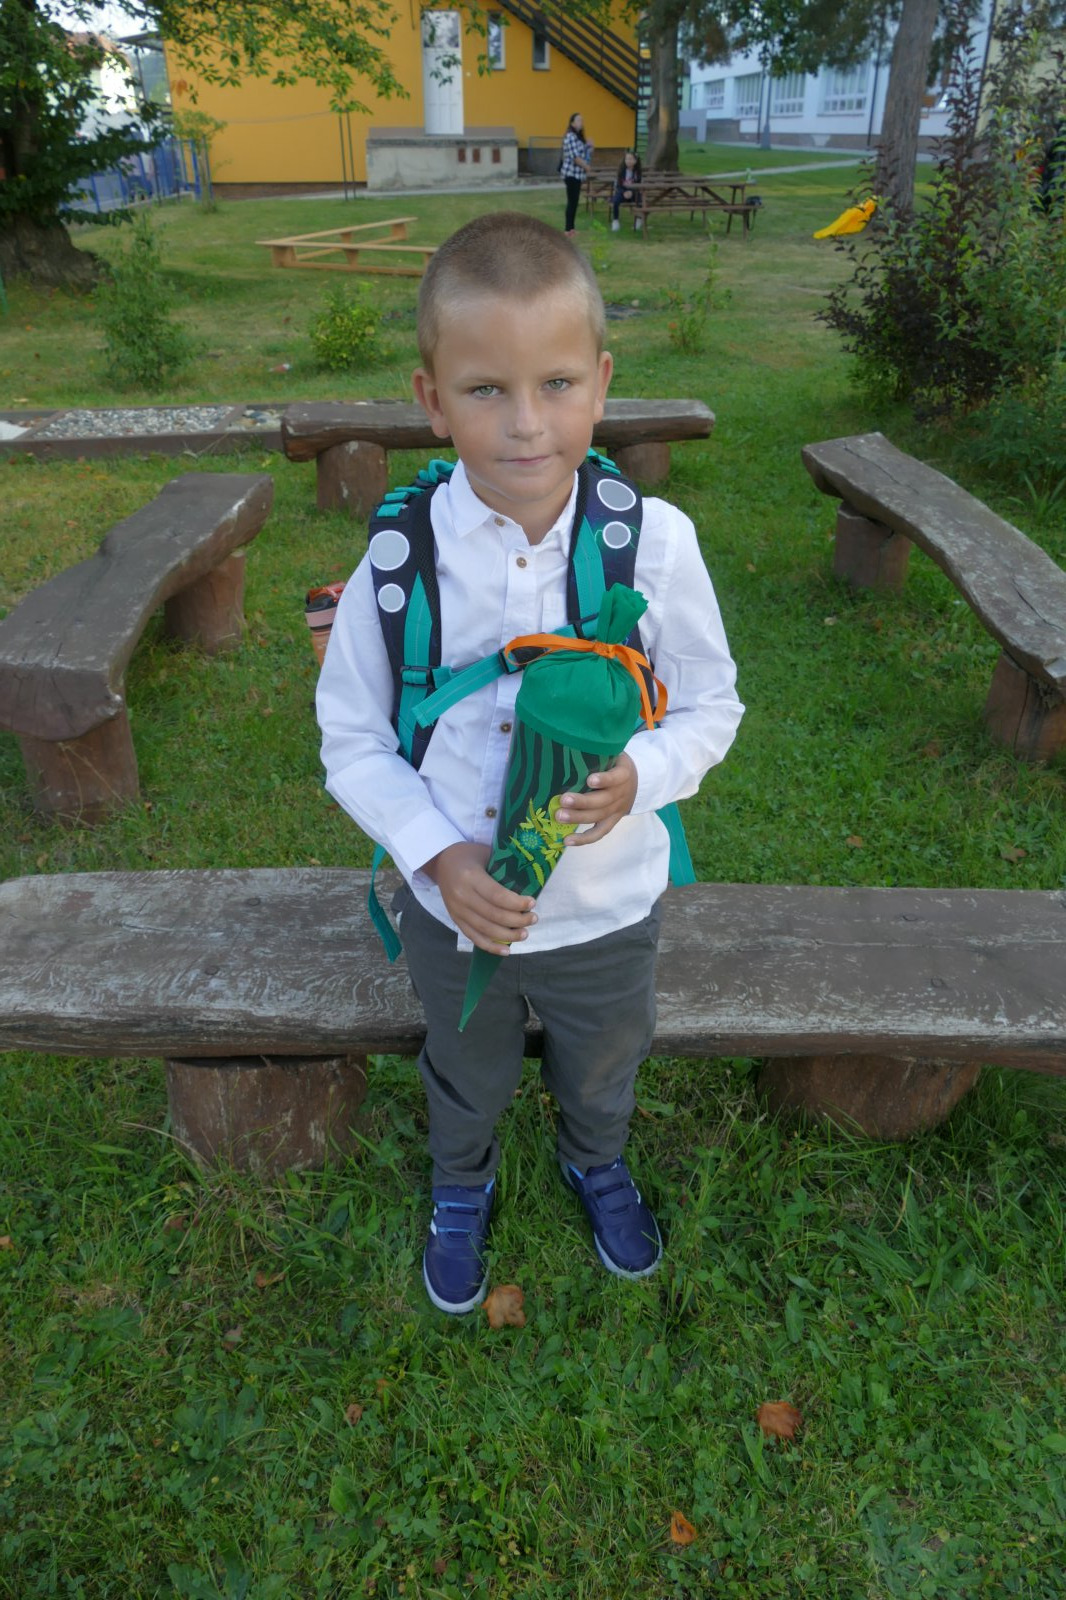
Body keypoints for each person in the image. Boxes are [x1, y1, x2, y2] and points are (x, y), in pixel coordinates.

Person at [317, 212, 743, 1315]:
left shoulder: (654, 545)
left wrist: (643, 777)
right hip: (454, 913)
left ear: (601, 383)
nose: (524, 423)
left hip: (606, 909)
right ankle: (461, 1180)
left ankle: (595, 1157)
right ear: (431, 399)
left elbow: (711, 705)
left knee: (604, 1057)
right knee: (465, 1067)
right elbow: (352, 737)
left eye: (556, 384)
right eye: (484, 390)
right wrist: (435, 854)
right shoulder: (400, 560)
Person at [560, 111, 593, 236]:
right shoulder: (570, 136)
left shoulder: (578, 137)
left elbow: (585, 155)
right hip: (571, 174)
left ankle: (571, 228)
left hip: (578, 174)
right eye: (579, 120)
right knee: (572, 201)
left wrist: (590, 147)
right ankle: (568, 229)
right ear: (572, 123)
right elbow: (575, 157)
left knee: (574, 202)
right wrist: (587, 167)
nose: (581, 122)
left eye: (582, 120)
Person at [611, 149, 643, 231]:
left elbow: (639, 185)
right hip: (622, 192)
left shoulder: (638, 172)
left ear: (635, 161)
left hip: (634, 193)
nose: (628, 161)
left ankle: (639, 220)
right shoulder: (621, 171)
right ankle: (615, 221)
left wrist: (631, 192)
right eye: (627, 159)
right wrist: (624, 192)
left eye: (630, 159)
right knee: (615, 201)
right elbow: (617, 185)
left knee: (641, 200)